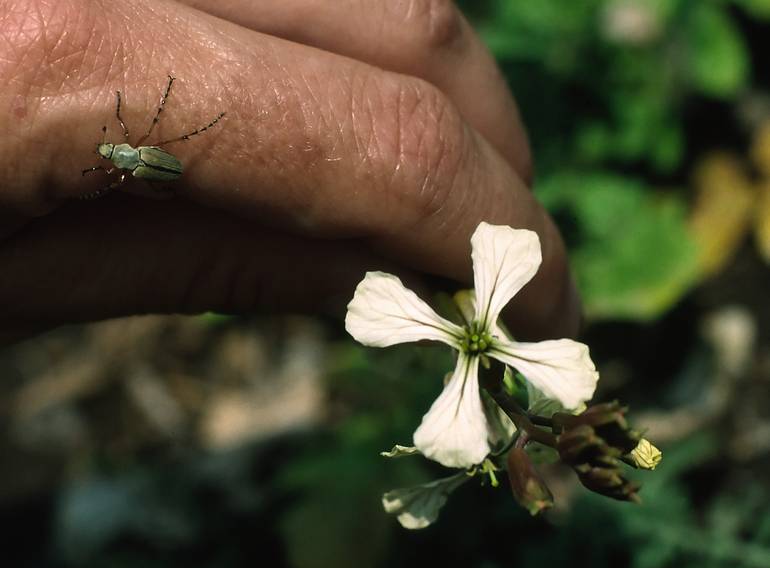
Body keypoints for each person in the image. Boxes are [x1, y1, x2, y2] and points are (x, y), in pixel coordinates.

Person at [0, 0, 580, 344]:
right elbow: (144, 150)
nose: (112, 153)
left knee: (173, 137)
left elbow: (148, 134)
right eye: (110, 156)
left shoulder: (134, 147)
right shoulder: (129, 161)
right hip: (160, 164)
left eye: (111, 150)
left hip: (162, 159)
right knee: (169, 143)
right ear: (117, 159)